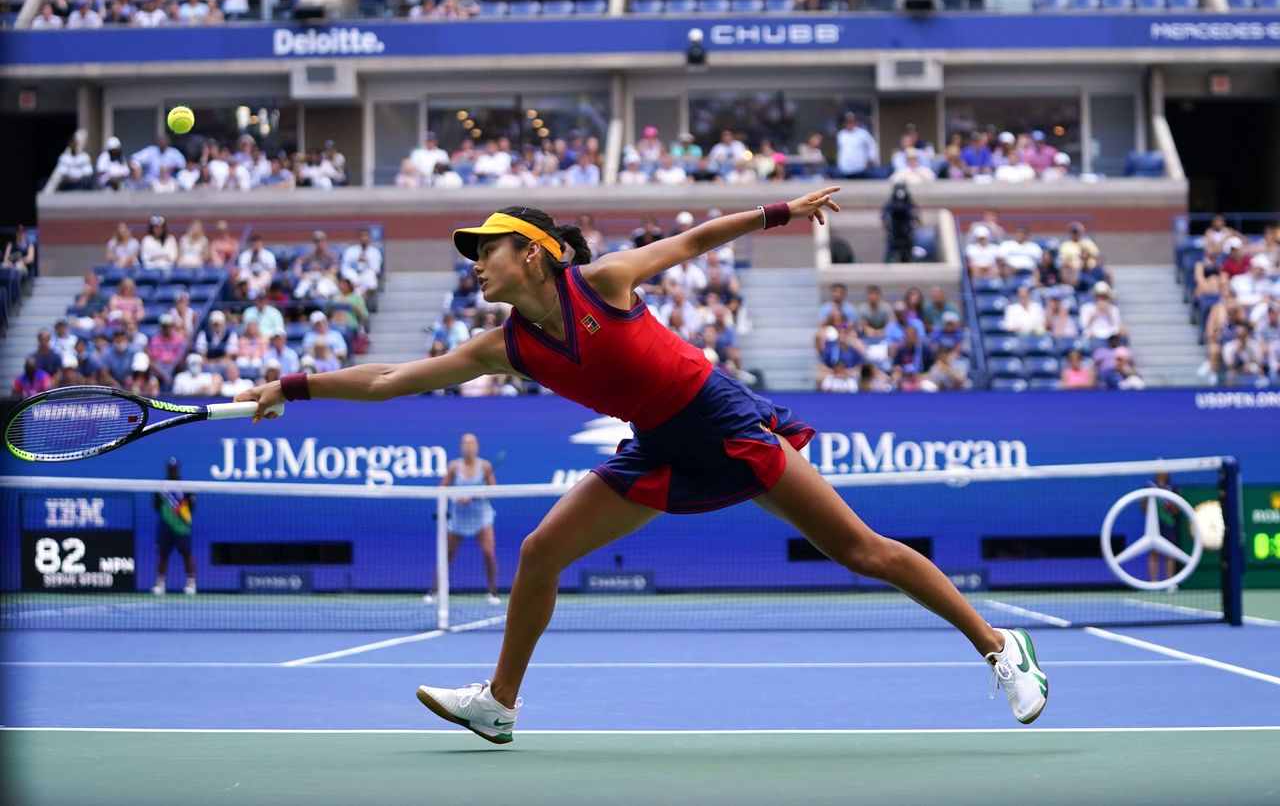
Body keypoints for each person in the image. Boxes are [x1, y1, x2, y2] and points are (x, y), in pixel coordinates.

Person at [236, 192, 1048, 742]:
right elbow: (387, 381)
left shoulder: (603, 281)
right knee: (539, 551)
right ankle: (500, 705)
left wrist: (780, 212)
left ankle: (998, 645)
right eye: (473, 255)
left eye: (487, 251)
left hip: (722, 422)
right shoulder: (505, 346)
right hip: (657, 446)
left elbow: (693, 242)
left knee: (864, 552)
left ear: (535, 254)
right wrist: (294, 387)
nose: (475, 264)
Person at [423, 433, 502, 607]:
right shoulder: (453, 467)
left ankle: (492, 592)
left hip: (482, 517)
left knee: (489, 553)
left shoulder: (486, 467)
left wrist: (475, 494)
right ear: (461, 447)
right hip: (458, 518)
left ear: (477, 447)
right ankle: (435, 591)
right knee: (446, 555)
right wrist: (456, 497)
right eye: (465, 443)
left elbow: (494, 492)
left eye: (472, 443)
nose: (468, 446)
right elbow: (442, 490)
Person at [153, 457, 196, 595]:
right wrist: (169, 517)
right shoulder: (161, 488)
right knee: (163, 555)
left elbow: (192, 505)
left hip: (182, 528)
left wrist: (180, 517)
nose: (172, 471)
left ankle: (191, 583)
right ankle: (160, 584)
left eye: (174, 468)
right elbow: (157, 506)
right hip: (165, 527)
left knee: (187, 554)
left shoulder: (185, 487)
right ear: (167, 469)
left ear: (178, 469)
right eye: (170, 469)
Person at [881, 182, 917, 263]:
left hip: (906, 228)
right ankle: (888, 259)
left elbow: (914, 213)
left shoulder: (909, 203)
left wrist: (915, 220)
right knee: (891, 244)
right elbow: (884, 214)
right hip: (894, 228)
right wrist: (885, 222)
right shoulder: (891, 203)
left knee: (908, 245)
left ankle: (909, 258)